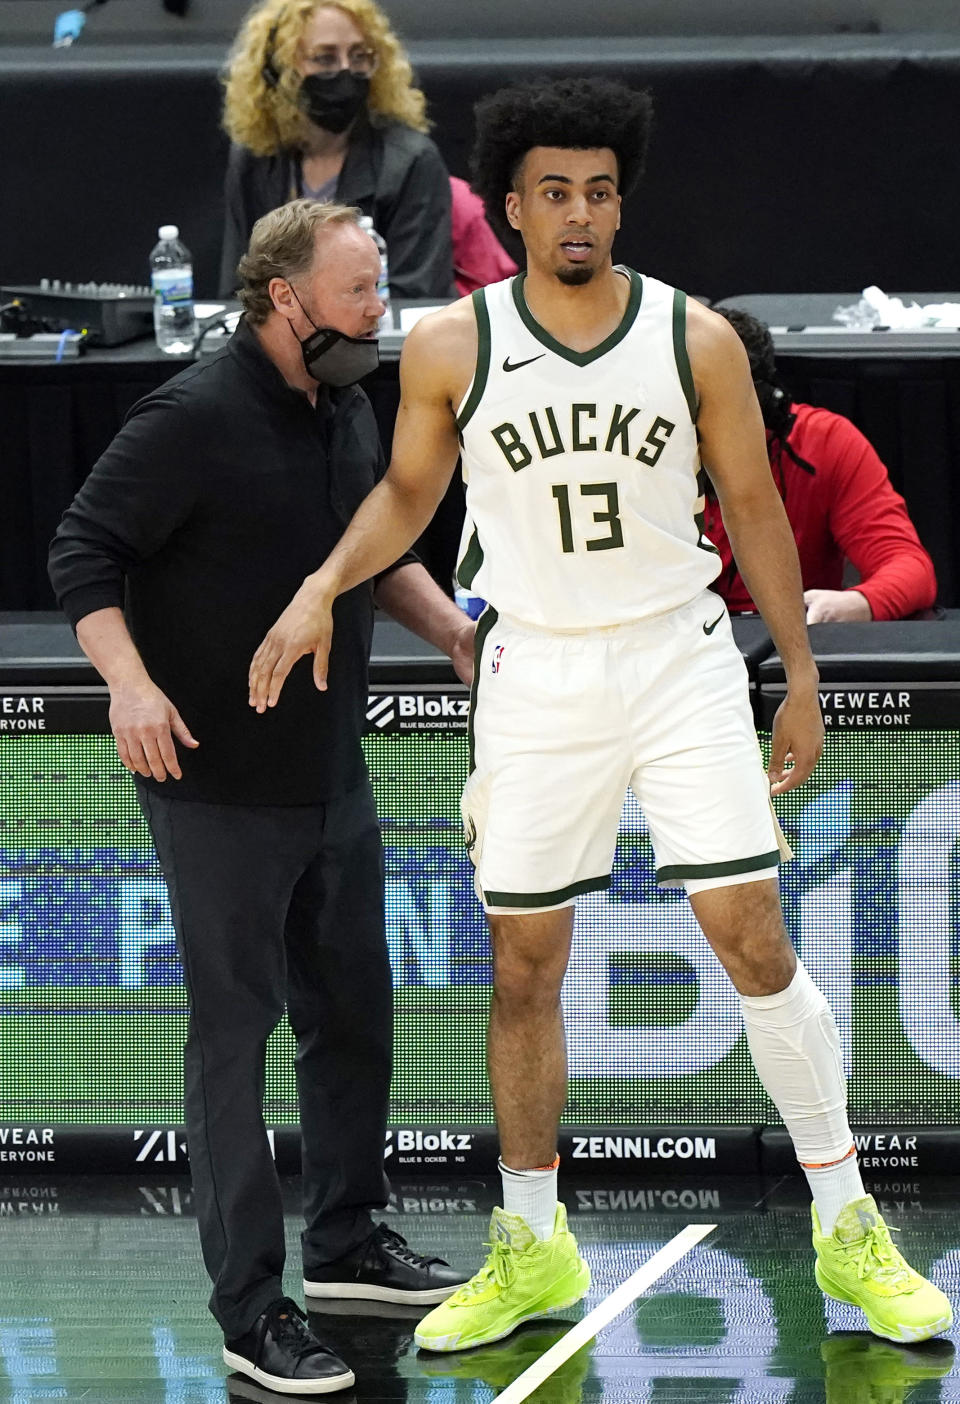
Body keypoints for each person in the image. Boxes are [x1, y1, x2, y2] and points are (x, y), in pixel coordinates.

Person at [245, 79, 953, 1354]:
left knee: (751, 937)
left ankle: (848, 1222)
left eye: (602, 192)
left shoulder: (697, 339)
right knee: (525, 965)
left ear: (622, 203)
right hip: (536, 673)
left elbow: (753, 512)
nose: (581, 214)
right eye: (556, 192)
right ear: (510, 206)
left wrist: (795, 671)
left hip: (677, 662)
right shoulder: (455, 342)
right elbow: (409, 496)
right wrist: (317, 586)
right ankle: (532, 1242)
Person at [48, 198, 473, 1395]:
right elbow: (82, 550)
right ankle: (251, 1309)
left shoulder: (342, 402)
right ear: (285, 299)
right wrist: (127, 682)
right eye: (359, 294)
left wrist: (454, 633)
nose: (378, 314)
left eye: (381, 289)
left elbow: (370, 547)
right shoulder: (188, 417)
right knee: (234, 1041)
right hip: (215, 781)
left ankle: (348, 1245)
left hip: (331, 772)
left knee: (356, 1017)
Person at [707, 307, 938, 623]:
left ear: (766, 403)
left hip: (790, 642)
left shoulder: (826, 442)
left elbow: (910, 568)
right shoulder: (645, 446)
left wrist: (857, 603)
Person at [220, 0, 454, 300]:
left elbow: (414, 293)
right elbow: (239, 288)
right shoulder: (255, 157)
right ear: (278, 71)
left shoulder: (411, 160)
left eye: (359, 56)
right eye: (325, 58)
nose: (346, 71)